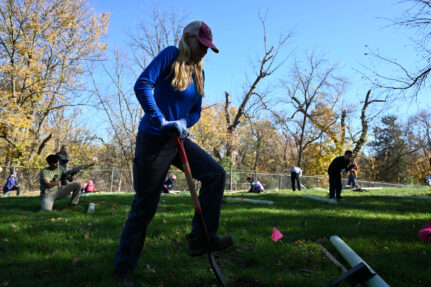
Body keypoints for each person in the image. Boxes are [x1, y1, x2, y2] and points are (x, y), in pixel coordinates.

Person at [113, 21, 233, 283]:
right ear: (188, 37)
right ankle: (124, 269)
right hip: (154, 138)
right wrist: (161, 120)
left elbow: (195, 111)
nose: (204, 51)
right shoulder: (170, 54)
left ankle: (201, 239)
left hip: (177, 139)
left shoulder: (199, 71)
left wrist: (182, 123)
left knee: (215, 174)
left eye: (207, 48)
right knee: (145, 205)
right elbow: (142, 85)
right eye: (201, 45)